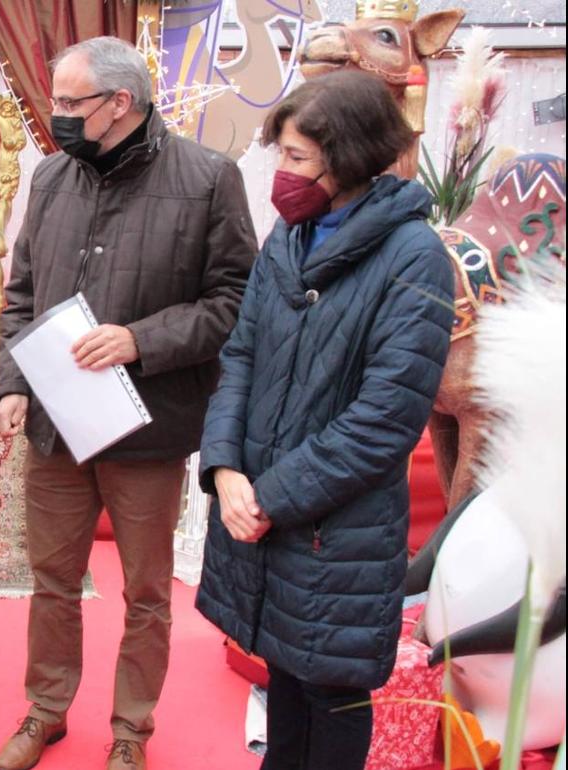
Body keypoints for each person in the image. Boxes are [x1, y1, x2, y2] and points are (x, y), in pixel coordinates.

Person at [0, 36, 257, 770]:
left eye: (70, 103)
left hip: (149, 424)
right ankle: (46, 710)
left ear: (120, 104)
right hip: (54, 427)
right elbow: (19, 298)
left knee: (145, 592)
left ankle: (131, 730)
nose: (56, 116)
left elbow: (237, 302)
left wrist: (141, 340)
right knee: (51, 582)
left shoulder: (208, 178)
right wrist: (15, 382)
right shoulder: (49, 178)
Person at [194, 70, 455, 770]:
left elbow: (386, 418)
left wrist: (269, 497)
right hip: (262, 508)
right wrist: (223, 467)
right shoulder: (289, 236)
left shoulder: (414, 257)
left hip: (332, 529)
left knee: (330, 688)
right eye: (281, 154)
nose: (284, 174)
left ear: (349, 158)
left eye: (298, 158)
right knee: (283, 673)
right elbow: (240, 355)